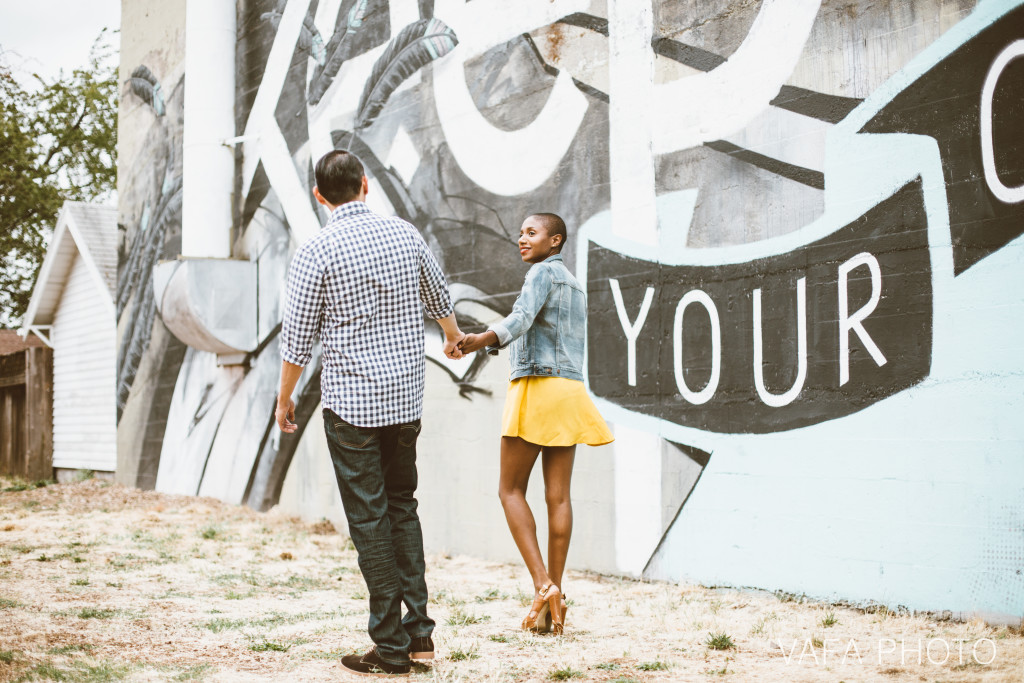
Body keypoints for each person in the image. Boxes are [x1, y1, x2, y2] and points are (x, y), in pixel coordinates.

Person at [276, 149, 464, 677]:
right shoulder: (404, 235)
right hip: (405, 401)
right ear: (365, 184)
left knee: (370, 519)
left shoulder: (316, 251)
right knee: (402, 506)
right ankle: (420, 638)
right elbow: (437, 294)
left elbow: (298, 338)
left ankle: (390, 647)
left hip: (352, 407)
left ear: (320, 196)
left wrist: (285, 396)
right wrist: (452, 337)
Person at [458, 212, 613, 635]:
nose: (522, 240)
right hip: (569, 391)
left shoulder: (540, 275)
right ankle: (553, 603)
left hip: (537, 389)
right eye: (521, 233)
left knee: (509, 489)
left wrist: (480, 340)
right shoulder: (576, 285)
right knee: (558, 497)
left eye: (532, 233)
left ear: (555, 240)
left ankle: (543, 585)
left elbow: (520, 319)